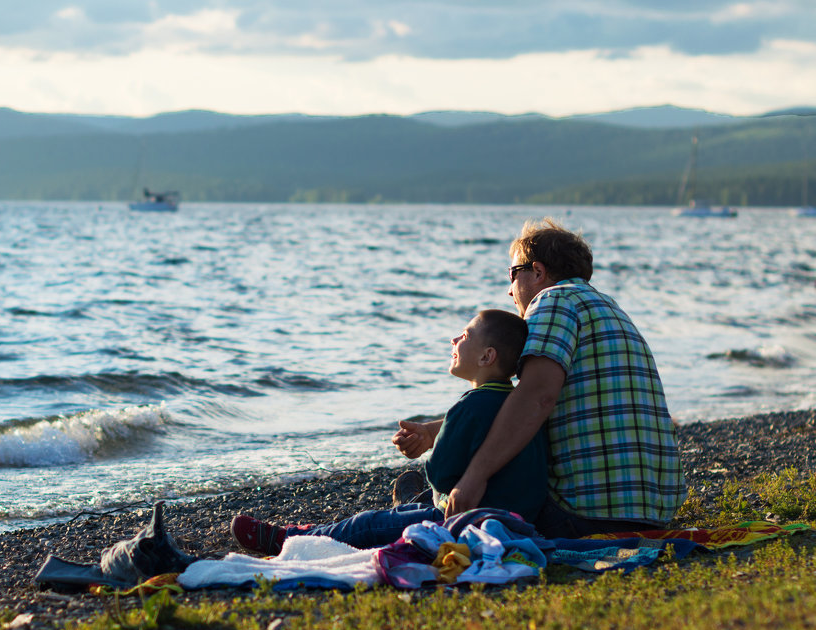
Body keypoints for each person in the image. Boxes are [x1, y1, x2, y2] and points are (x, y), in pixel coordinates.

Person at [418, 218, 685, 538]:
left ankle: (420, 508)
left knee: (456, 496)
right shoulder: (607, 307)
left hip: (586, 512)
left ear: (538, 272)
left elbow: (535, 398)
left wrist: (474, 476)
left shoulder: (552, 300)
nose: (509, 290)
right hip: (652, 511)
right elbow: (509, 405)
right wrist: (434, 431)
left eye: (512, 274)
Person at [232, 309, 548, 555]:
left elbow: (439, 474)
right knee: (410, 510)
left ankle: (291, 539)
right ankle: (348, 522)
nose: (454, 340)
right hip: (518, 519)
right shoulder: (515, 405)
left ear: (486, 357)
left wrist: (437, 453)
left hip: (466, 523)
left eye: (464, 335)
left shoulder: (470, 405)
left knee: (368, 525)